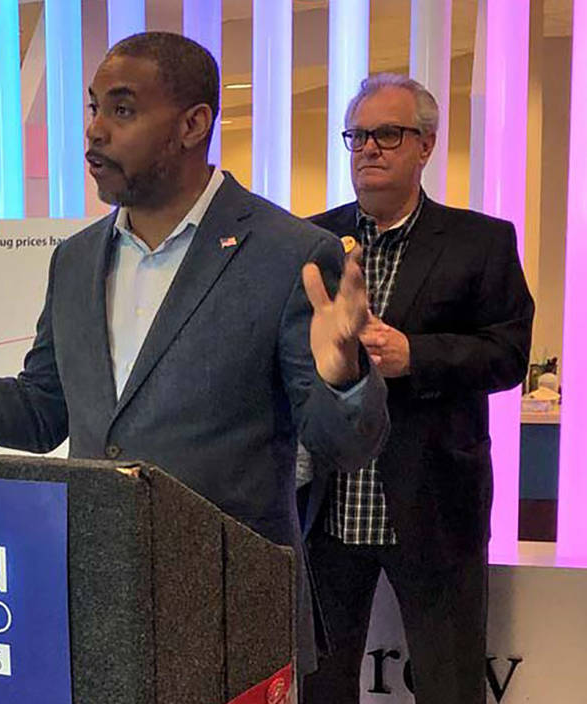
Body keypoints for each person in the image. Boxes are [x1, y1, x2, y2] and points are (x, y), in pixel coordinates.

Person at [0, 32, 388, 677]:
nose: (95, 131)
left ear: (193, 124)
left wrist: (343, 375)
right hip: (95, 601)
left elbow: (346, 448)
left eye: (122, 109)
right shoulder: (76, 259)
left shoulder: (289, 253)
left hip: (230, 614)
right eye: (93, 108)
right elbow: (41, 414)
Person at [302, 74, 534, 703]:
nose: (368, 149)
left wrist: (416, 356)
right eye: (357, 136)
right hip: (329, 509)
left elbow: (509, 355)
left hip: (435, 505)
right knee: (320, 688)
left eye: (388, 134)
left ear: (426, 145)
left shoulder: (481, 241)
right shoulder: (312, 243)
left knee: (449, 686)